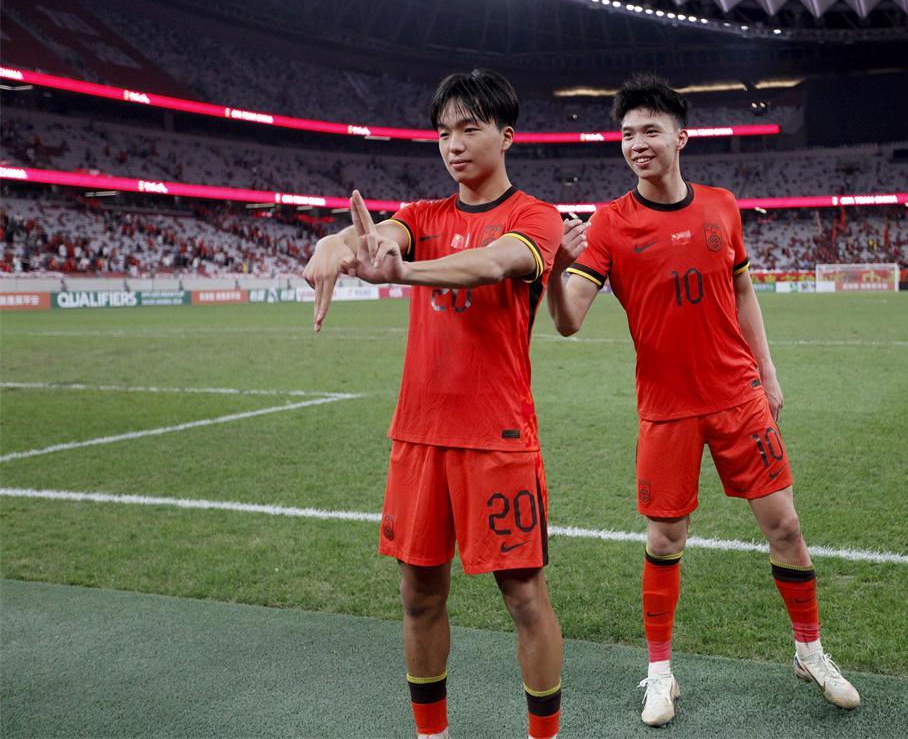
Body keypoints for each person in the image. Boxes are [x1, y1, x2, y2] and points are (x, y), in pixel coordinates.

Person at [546, 74, 859, 728]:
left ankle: (810, 653)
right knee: (666, 537)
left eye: (650, 130)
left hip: (738, 396)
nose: (637, 143)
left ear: (680, 137)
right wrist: (554, 270)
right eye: (627, 134)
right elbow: (569, 321)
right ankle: (660, 673)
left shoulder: (721, 206)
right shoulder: (608, 225)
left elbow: (742, 292)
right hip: (666, 408)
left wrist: (768, 373)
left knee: (786, 527)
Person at [302, 70, 564, 739]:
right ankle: (432, 734)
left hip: (498, 438)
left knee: (524, 597)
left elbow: (493, 264)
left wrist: (404, 272)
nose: (454, 144)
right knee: (418, 594)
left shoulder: (534, 217)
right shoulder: (421, 216)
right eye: (444, 132)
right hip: (419, 436)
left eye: (470, 129)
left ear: (506, 136)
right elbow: (381, 238)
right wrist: (333, 246)